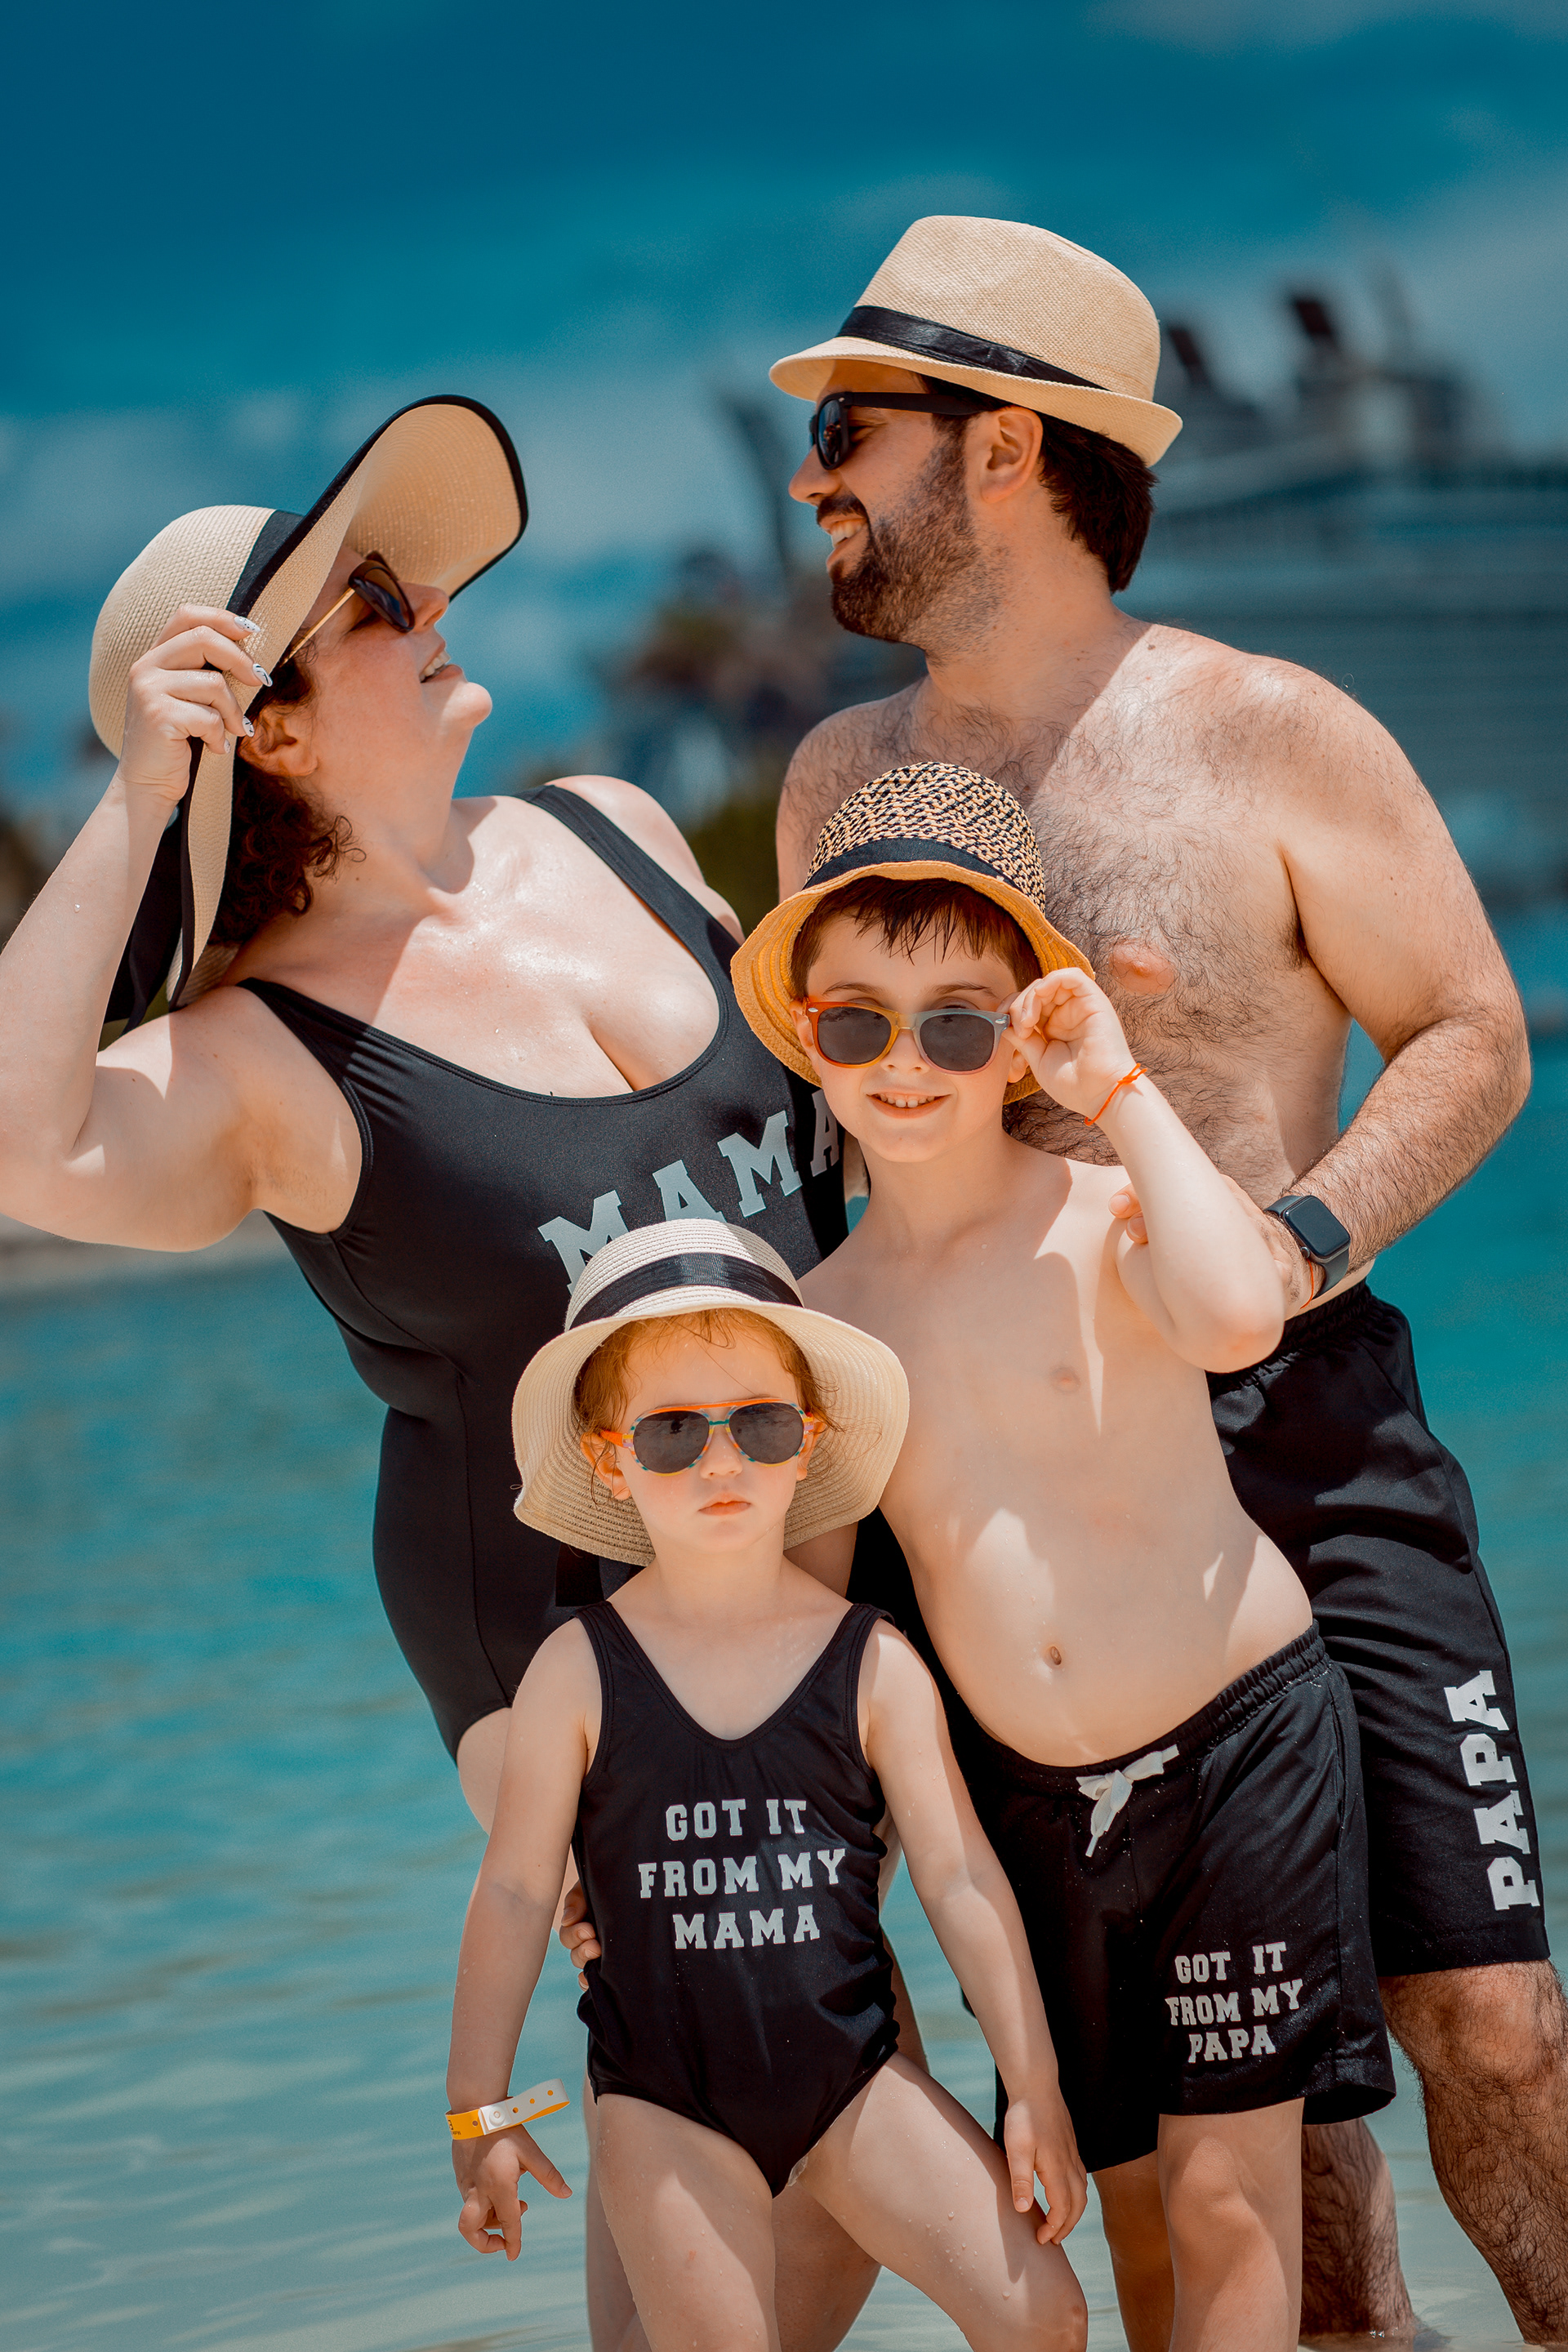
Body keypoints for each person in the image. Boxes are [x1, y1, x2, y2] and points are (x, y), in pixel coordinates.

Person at [0, 395, 898, 2349]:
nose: (436, 613)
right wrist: (140, 799)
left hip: (828, 1537)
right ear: (266, 728)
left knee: (833, 2114)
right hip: (565, 1632)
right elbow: (19, 1145)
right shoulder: (257, 1058)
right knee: (771, 2103)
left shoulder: (618, 829)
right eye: (379, 606)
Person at [764, 215, 1567, 2344]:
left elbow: (1473, 1031)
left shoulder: (1268, 727)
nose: (811, 476)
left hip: (1296, 1423)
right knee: (1256, 2150)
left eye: (849, 431)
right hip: (1011, 1490)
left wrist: (1298, 1245)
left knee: (1493, 2024)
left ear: (1003, 446)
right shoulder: (840, 784)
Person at [724, 763, 1397, 2349]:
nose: (908, 1062)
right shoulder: (819, 1326)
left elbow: (1238, 1320)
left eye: (960, 1025)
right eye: (859, 1025)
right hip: (1026, 1807)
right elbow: (802, 1619)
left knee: (1230, 2202)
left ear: (1025, 1029)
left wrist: (1120, 1087)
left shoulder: (1106, 1212)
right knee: (1135, 2223)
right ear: (807, 1037)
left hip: (1239, 1750)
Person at [448, 1221, 1089, 2352]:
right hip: (664, 2105)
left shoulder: (874, 1663)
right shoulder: (578, 1672)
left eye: (761, 1424)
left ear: (809, 1444)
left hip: (852, 2079)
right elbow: (511, 1894)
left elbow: (958, 1881)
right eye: (672, 1433)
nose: (722, 1462)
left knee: (1043, 2315)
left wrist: (1032, 2083)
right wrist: (480, 2115)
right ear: (608, 1458)